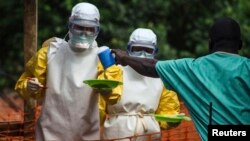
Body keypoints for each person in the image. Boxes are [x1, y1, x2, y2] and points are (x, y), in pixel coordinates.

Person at [111, 18, 250, 141]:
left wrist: (124, 58)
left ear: (210, 43)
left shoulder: (191, 69)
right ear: (240, 44)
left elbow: (150, 67)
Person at [15, 2, 121, 141]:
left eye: (89, 29)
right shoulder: (50, 52)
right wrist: (29, 85)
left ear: (97, 30)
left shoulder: (102, 58)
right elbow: (25, 86)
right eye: (79, 27)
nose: (84, 32)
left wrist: (108, 89)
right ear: (70, 25)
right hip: (49, 131)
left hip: (86, 132)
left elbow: (114, 97)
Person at [98, 28, 181, 141]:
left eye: (148, 50)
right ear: (128, 49)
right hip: (118, 132)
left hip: (149, 134)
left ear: (155, 52)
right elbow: (99, 106)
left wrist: (171, 119)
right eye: (137, 49)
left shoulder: (160, 77)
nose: (142, 54)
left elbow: (168, 107)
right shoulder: (115, 70)